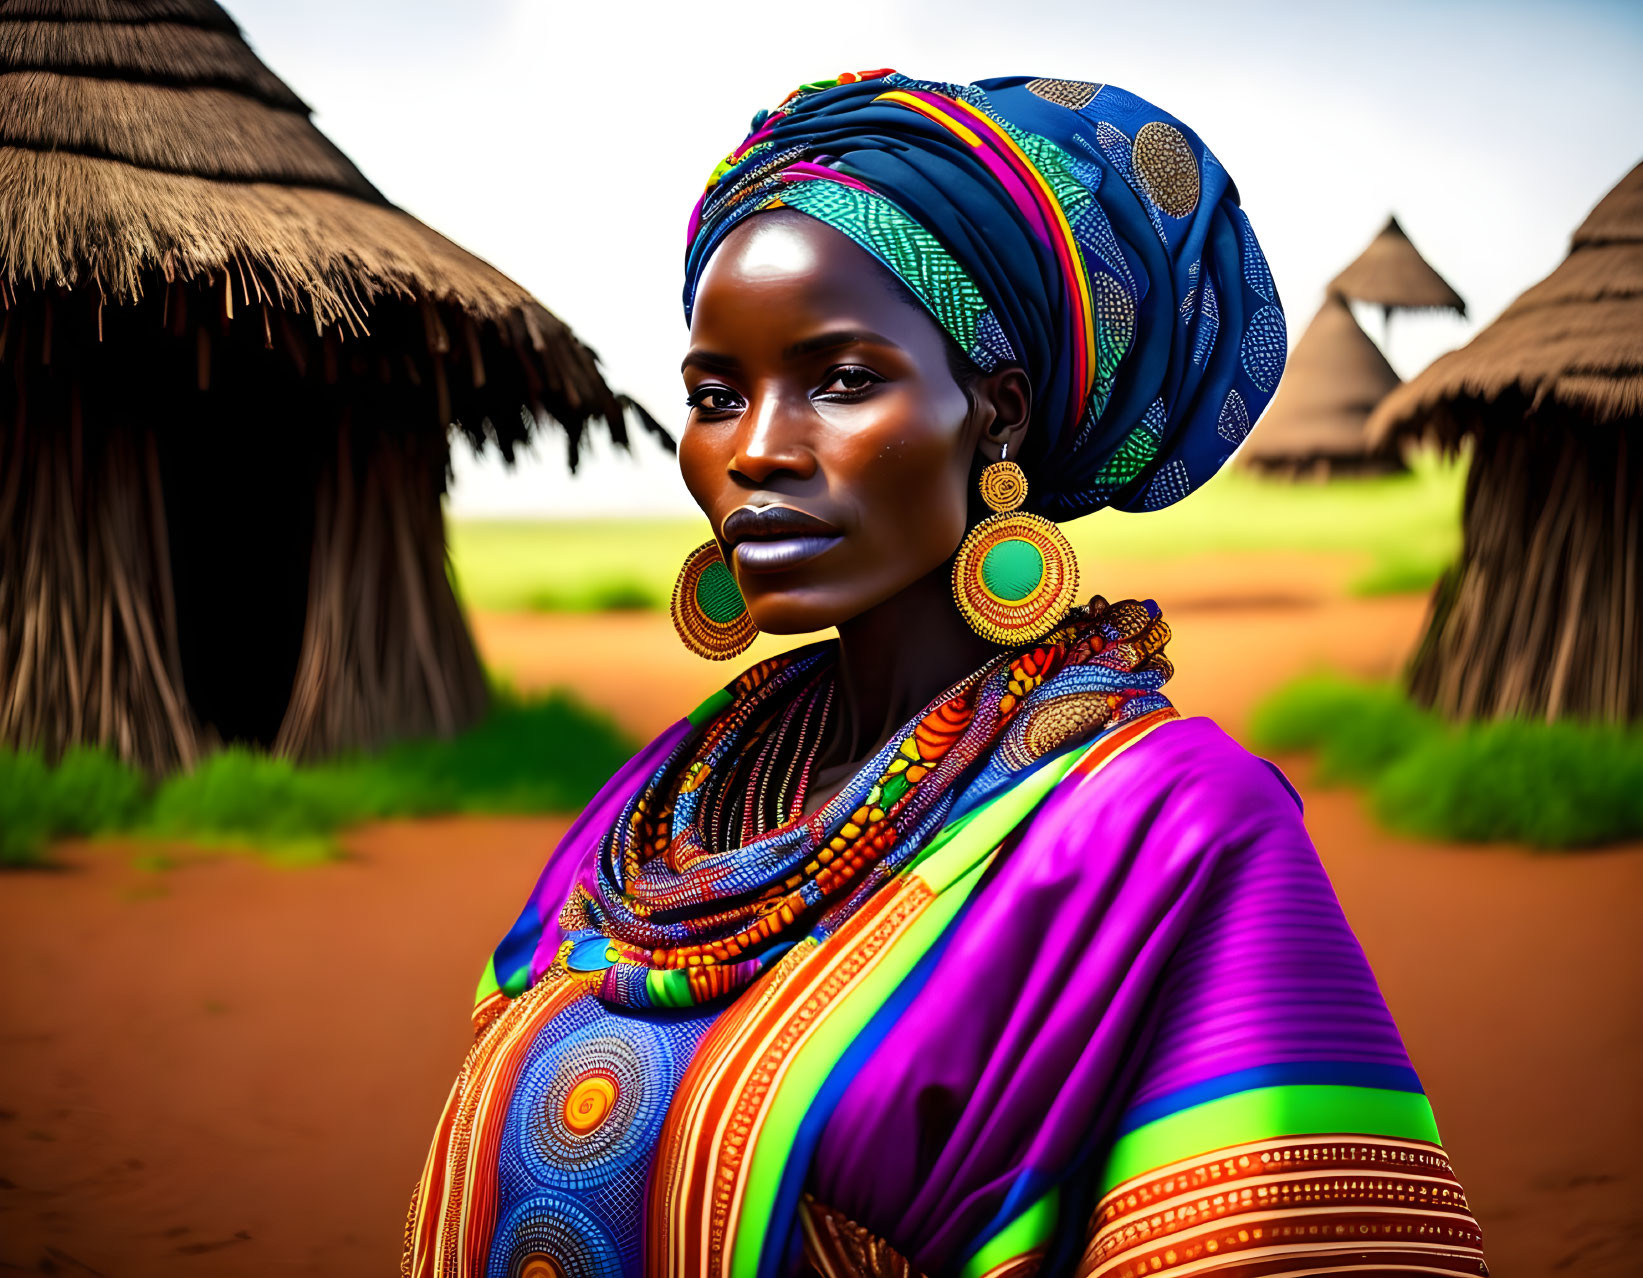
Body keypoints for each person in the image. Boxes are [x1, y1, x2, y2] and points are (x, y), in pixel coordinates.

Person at [404, 71, 1487, 1278]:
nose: (755, 448)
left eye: (843, 379)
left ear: (997, 416)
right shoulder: (660, 804)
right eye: (716, 396)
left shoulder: (1173, 833)